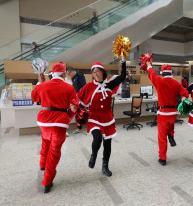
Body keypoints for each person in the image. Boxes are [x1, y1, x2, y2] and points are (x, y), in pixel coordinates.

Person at [31, 62, 79, 193]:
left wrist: (40, 82)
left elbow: (34, 97)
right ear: (63, 73)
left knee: (46, 140)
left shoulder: (44, 85)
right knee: (54, 151)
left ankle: (42, 164)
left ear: (52, 73)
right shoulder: (69, 88)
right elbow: (75, 105)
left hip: (43, 121)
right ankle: (47, 182)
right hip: (59, 123)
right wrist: (70, 113)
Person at [77, 56, 126, 176]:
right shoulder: (88, 87)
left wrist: (124, 60)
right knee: (97, 138)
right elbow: (78, 99)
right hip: (94, 118)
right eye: (93, 72)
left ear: (102, 72)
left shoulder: (109, 84)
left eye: (98, 71)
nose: (96, 74)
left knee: (107, 144)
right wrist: (78, 111)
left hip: (107, 118)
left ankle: (105, 166)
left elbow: (123, 76)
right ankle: (93, 155)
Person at [144, 61, 189, 166]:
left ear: (162, 73)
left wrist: (149, 66)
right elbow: (185, 93)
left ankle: (162, 158)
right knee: (170, 124)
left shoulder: (159, 81)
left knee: (161, 136)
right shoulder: (176, 83)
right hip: (174, 113)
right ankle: (171, 134)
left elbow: (152, 74)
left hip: (163, 113)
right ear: (171, 72)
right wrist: (183, 98)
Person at [66, 66, 87, 133]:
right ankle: (79, 128)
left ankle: (90, 127)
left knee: (83, 112)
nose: (69, 75)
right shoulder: (73, 78)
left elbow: (84, 86)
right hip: (76, 97)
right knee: (78, 113)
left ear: (72, 71)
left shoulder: (79, 75)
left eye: (69, 74)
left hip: (82, 98)